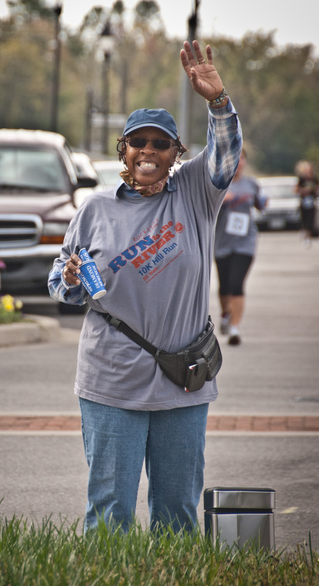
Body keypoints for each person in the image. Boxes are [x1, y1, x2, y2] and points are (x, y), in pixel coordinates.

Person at [48, 40, 243, 534]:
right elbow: (61, 283)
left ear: (176, 153)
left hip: (183, 377)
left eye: (161, 144)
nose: (149, 152)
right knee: (110, 510)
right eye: (139, 143)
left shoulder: (198, 192)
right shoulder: (95, 209)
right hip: (111, 379)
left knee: (177, 510)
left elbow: (225, 154)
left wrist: (218, 102)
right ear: (125, 150)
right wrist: (70, 279)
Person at [213, 149, 266, 346]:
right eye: (234, 159)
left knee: (237, 284)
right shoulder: (218, 185)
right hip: (222, 242)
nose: (238, 162)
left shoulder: (251, 183)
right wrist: (220, 201)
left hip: (246, 241)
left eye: (241, 158)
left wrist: (262, 202)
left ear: (244, 161)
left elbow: (260, 204)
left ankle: (235, 328)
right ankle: (226, 313)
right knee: (224, 287)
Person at [295, 160, 319, 246]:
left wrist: (314, 189)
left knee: (311, 219)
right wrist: (304, 190)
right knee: (304, 219)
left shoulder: (314, 178)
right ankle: (304, 232)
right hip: (304, 201)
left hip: (312, 201)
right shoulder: (301, 179)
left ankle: (308, 236)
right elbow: (296, 190)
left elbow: (317, 188)